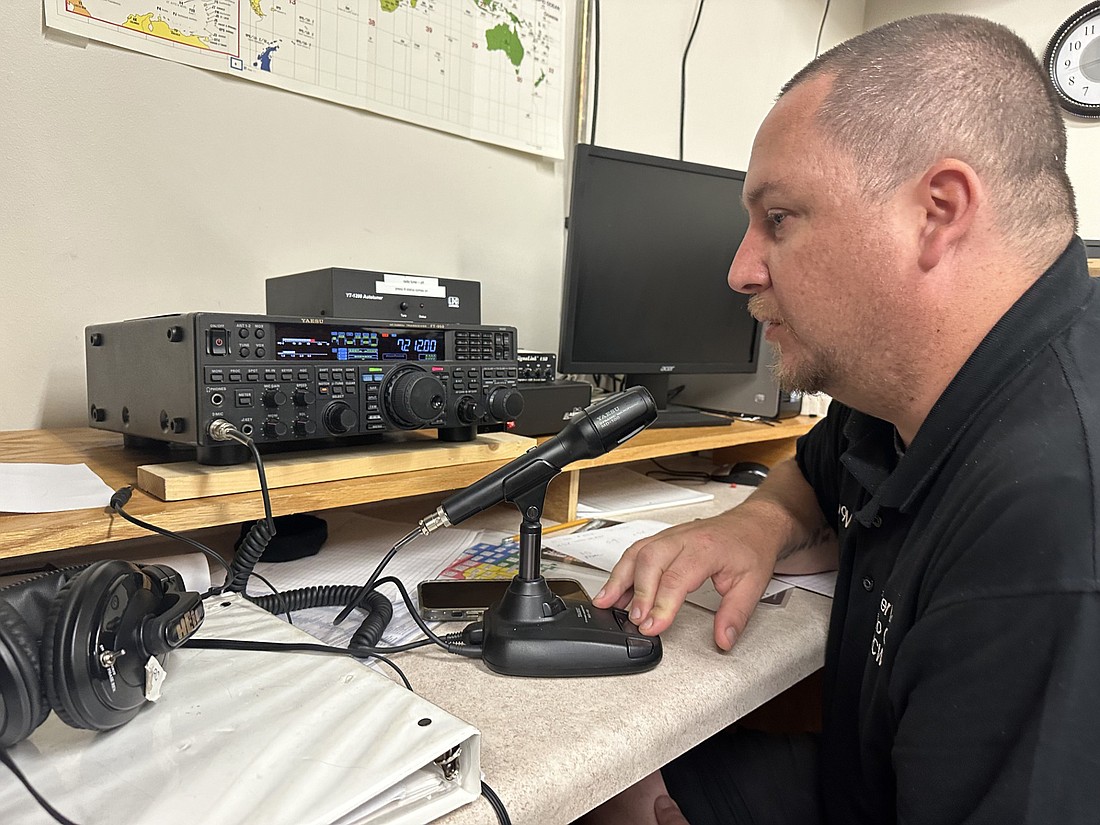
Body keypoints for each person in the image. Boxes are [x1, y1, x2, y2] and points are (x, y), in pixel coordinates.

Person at [580, 13, 1100, 825]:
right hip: (872, 777)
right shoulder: (908, 384)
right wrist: (755, 524)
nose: (740, 269)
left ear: (938, 211)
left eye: (778, 219)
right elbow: (816, 473)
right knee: (606, 789)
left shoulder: (1050, 520)